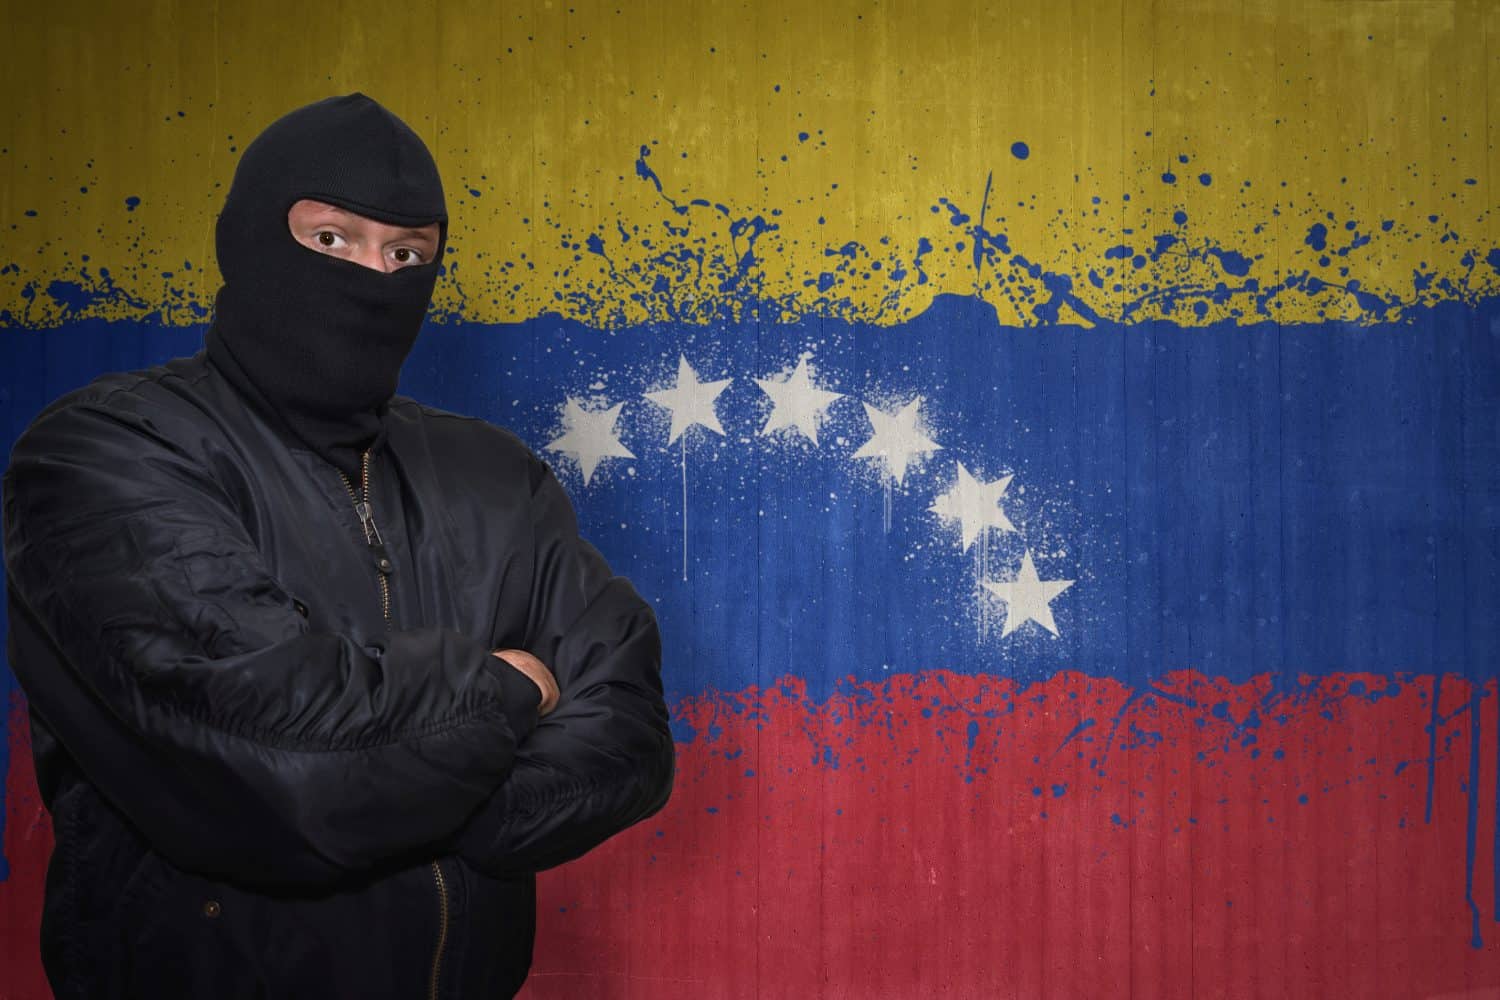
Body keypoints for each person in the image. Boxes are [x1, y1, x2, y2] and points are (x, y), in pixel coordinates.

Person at [2, 93, 674, 998]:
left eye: (407, 254)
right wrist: (513, 688)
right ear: (247, 240)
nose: (374, 274)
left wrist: (422, 796)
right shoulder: (104, 452)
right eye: (331, 240)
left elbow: (625, 733)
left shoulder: (494, 476)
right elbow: (279, 765)